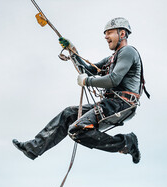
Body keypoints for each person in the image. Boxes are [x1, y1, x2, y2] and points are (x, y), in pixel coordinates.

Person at [12, 17, 149, 164]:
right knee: (68, 114)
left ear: (122, 34)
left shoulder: (128, 52)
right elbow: (87, 70)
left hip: (122, 103)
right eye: (105, 33)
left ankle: (125, 142)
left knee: (77, 130)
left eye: (109, 32)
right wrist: (73, 51)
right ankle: (33, 148)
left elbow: (113, 79)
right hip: (112, 103)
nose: (106, 36)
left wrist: (87, 81)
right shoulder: (111, 59)